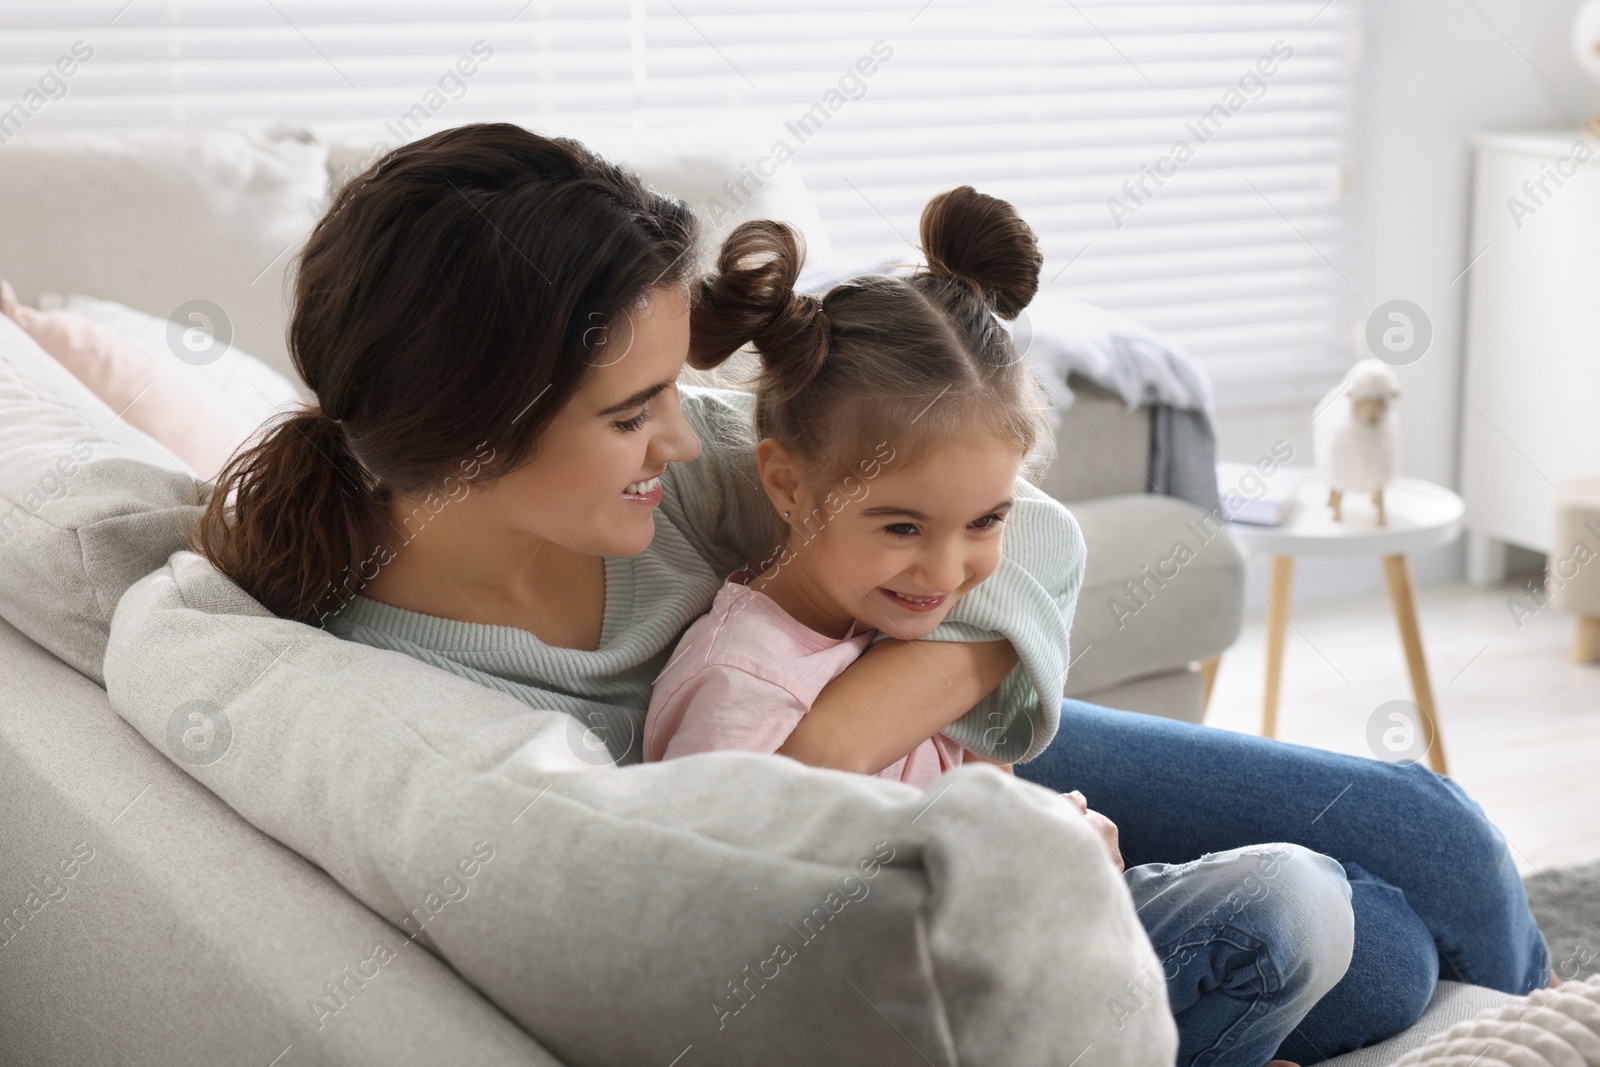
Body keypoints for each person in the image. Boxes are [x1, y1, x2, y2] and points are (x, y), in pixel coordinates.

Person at [190, 124, 1550, 1065]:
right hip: (913, 826)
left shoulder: (675, 477)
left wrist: (843, 724)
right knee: (1347, 939)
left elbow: (1034, 538)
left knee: (1432, 833)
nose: (681, 435)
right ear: (480, 427)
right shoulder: (392, 680)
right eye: (635, 409)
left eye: (677, 388)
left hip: (934, 733)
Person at [642, 193, 1398, 1066]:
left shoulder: (894, 626)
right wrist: (1031, 864)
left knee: (1312, 893)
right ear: (784, 482)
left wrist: (1053, 835)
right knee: (1286, 905)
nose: (945, 572)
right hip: (921, 1008)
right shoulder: (742, 685)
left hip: (1027, 945)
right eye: (900, 527)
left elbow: (983, 789)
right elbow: (752, 938)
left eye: (986, 521)